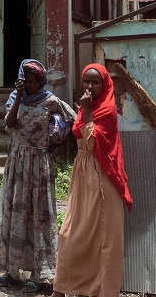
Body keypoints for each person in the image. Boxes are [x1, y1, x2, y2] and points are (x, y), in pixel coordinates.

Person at [53, 62, 133, 297]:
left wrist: (86, 111)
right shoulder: (86, 107)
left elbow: (90, 142)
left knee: (104, 237)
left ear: (105, 84)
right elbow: (79, 135)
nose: (90, 86)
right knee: (71, 232)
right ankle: (65, 287)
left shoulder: (106, 110)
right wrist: (85, 111)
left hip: (103, 177)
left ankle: (103, 290)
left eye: (95, 82)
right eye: (86, 81)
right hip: (83, 173)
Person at [0, 58, 69, 294]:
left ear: (41, 80)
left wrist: (55, 136)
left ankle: (40, 274)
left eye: (32, 81)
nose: (28, 85)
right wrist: (18, 96)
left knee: (37, 215)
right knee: (15, 212)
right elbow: (10, 123)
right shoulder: (14, 98)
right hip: (17, 162)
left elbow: (73, 119)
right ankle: (13, 270)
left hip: (38, 165)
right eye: (25, 80)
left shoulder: (50, 101)